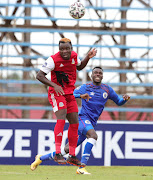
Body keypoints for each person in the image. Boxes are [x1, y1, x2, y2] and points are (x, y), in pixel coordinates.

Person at [31, 66, 130, 174]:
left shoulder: (107, 89)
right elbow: (70, 94)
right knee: (93, 136)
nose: (97, 74)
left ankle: (40, 158)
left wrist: (124, 99)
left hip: (91, 122)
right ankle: (81, 167)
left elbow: (119, 102)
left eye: (100, 73)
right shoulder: (85, 87)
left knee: (67, 150)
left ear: (102, 76)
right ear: (91, 75)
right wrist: (80, 95)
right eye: (95, 73)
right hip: (82, 119)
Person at [31, 38, 97, 170]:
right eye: (62, 49)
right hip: (56, 93)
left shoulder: (74, 56)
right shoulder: (53, 60)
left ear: (71, 48)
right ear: (59, 49)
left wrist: (88, 57)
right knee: (61, 119)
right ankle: (57, 153)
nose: (64, 51)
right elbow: (39, 75)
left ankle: (72, 154)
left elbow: (79, 66)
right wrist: (54, 85)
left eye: (67, 48)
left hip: (69, 93)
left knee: (74, 122)